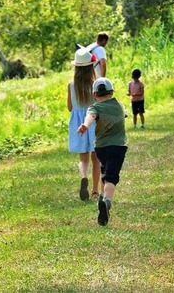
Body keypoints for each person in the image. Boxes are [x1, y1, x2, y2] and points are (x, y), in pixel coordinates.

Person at [77, 77, 127, 226]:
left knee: (105, 172)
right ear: (111, 92)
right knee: (112, 176)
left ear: (94, 95)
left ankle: (104, 200)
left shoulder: (95, 108)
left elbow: (90, 116)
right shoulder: (119, 105)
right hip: (118, 146)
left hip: (101, 148)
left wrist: (85, 125)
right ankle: (107, 202)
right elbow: (122, 115)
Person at [67, 48, 101, 201]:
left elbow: (70, 107)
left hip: (78, 124)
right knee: (96, 159)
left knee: (83, 159)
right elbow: (99, 105)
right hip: (93, 122)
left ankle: (83, 177)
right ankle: (94, 190)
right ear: (90, 67)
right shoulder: (95, 84)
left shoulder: (71, 85)